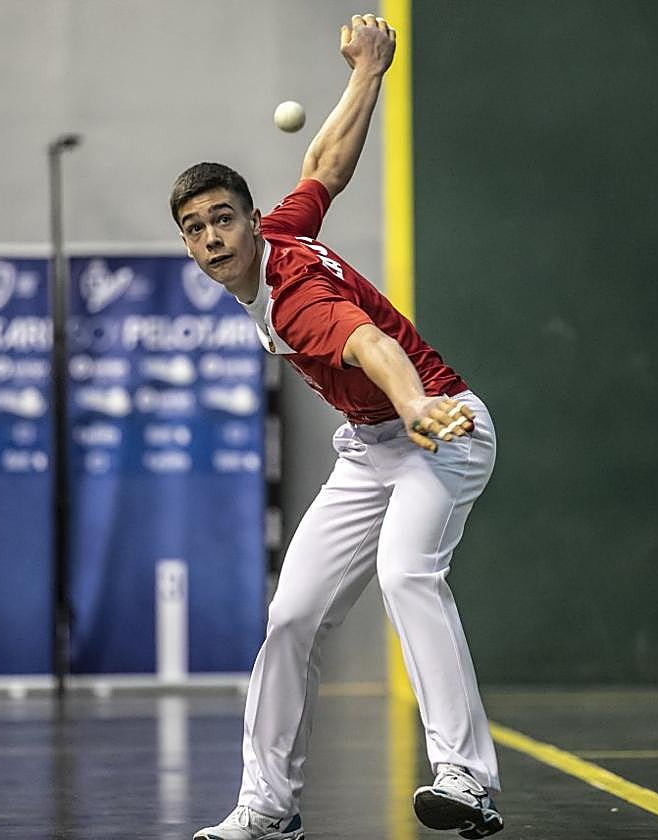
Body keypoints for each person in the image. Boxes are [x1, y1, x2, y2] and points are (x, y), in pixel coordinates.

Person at [176, 14, 503, 840]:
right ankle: (267, 805)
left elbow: (370, 344)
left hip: (441, 428)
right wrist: (367, 73)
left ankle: (466, 779)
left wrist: (415, 406)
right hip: (371, 448)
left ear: (252, 221)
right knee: (292, 615)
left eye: (223, 219)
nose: (213, 238)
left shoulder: (295, 299)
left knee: (406, 573)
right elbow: (324, 167)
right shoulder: (285, 233)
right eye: (196, 228)